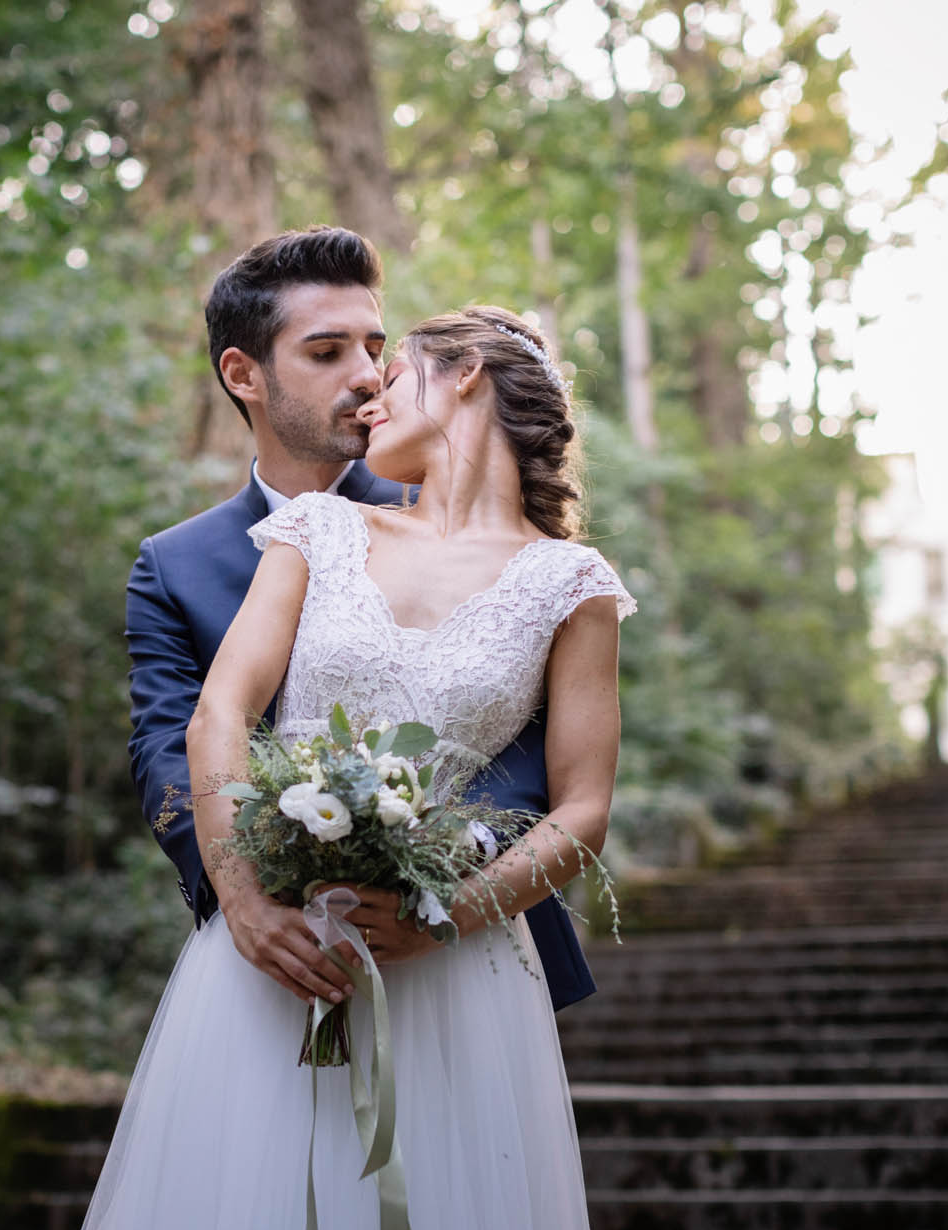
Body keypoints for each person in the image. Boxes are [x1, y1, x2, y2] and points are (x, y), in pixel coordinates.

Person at [46, 304, 634, 1230]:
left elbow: (582, 805)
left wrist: (448, 908)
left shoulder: (569, 583)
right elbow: (219, 711)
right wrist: (243, 885)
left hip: (456, 971)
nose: (370, 394)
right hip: (276, 949)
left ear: (463, 381)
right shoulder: (318, 526)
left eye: (394, 372)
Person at [124, 225, 596, 1012]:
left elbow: (535, 738)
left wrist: (445, 856)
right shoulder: (174, 566)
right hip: (273, 946)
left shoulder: (478, 527)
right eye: (326, 352)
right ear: (244, 374)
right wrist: (244, 895)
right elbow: (167, 749)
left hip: (461, 942)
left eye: (376, 348)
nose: (368, 376)